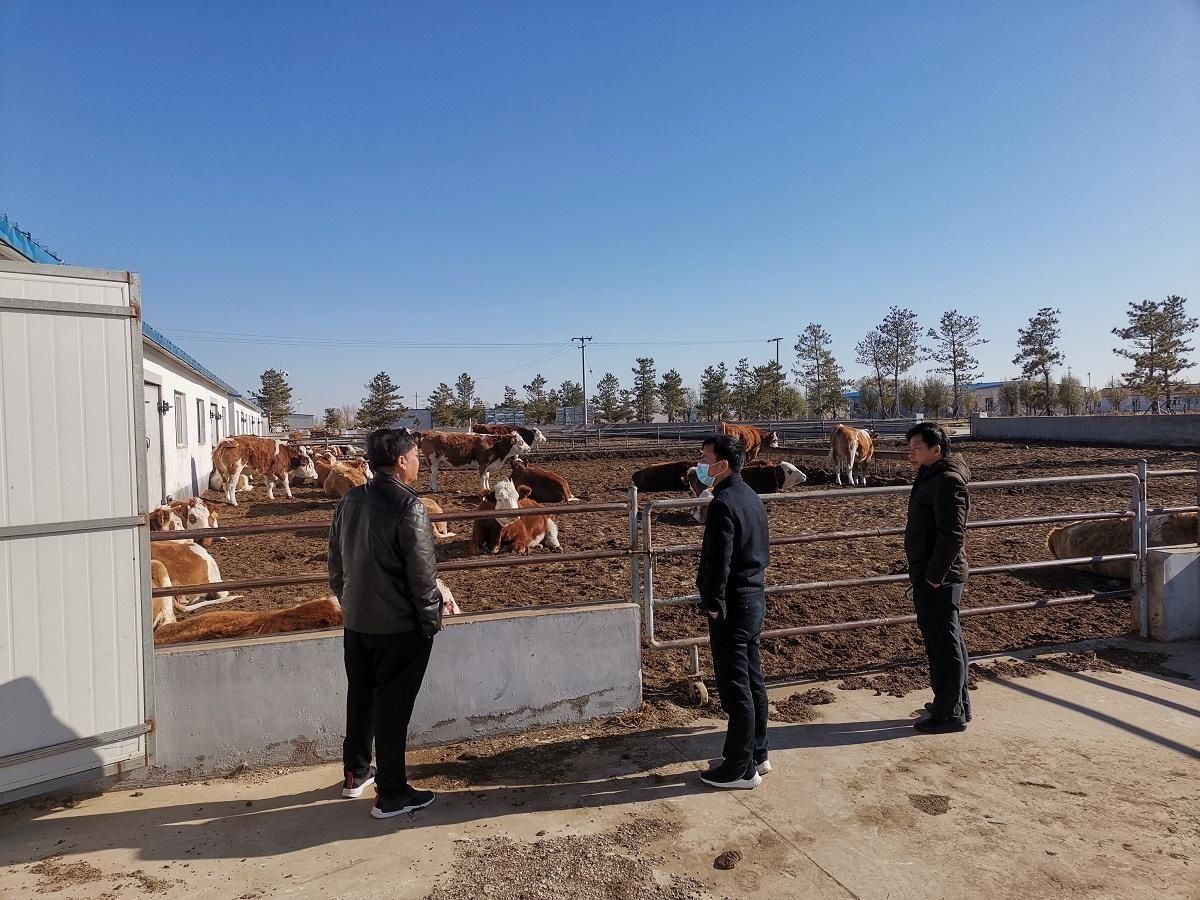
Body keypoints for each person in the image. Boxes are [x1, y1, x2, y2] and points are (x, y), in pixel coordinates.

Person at [328, 427, 443, 818]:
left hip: (357, 623)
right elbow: (423, 576)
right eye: (414, 456)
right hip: (398, 627)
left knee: (361, 696)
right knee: (394, 709)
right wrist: (429, 621)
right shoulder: (410, 507)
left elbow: (335, 563)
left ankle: (355, 772)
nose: (417, 461)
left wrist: (350, 602)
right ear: (400, 461)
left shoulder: (350, 500)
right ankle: (392, 793)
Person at [694, 433, 771, 789]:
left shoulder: (724, 503)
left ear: (722, 465)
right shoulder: (750, 497)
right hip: (754, 597)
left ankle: (740, 769)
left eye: (706, 457)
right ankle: (757, 751)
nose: (702, 463)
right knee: (752, 678)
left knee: (735, 684)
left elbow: (718, 562)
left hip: (733, 604)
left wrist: (712, 602)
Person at [904, 422, 972, 733]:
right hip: (933, 572)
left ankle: (949, 714)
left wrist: (933, 576)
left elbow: (953, 534)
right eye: (911, 448)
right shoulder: (932, 475)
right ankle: (955, 703)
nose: (911, 453)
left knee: (943, 643)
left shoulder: (947, 481)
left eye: (917, 448)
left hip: (939, 576)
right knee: (947, 640)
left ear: (936, 450)